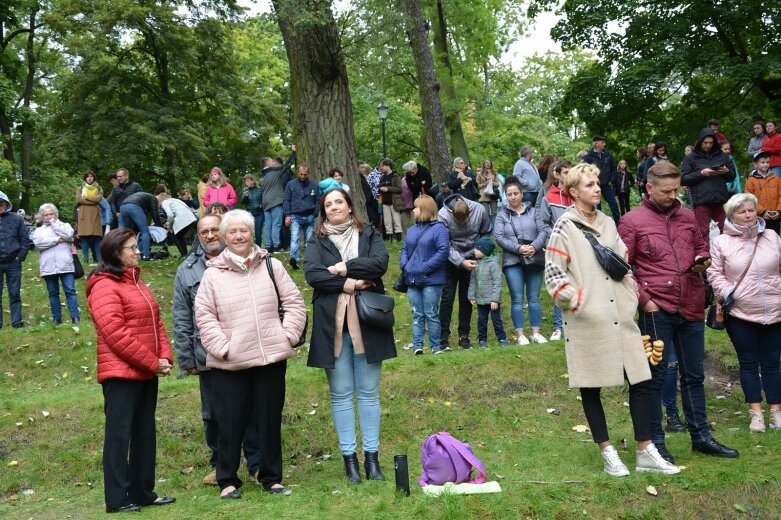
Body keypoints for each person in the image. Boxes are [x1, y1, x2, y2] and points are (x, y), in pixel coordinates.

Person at [545, 163, 680, 477]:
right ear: (574, 191)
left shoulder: (607, 222)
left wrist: (630, 296)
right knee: (591, 386)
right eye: (590, 185)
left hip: (621, 315)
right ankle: (608, 453)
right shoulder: (563, 227)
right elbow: (553, 276)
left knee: (641, 379)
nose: (596, 188)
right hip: (588, 321)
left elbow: (624, 264)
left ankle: (645, 450)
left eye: (597, 183)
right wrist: (580, 302)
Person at [619, 161, 739, 463]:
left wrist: (702, 259)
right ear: (649, 187)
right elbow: (622, 269)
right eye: (667, 190)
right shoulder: (631, 222)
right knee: (656, 377)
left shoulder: (688, 217)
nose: (674, 195)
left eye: (677, 190)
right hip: (656, 308)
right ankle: (656, 443)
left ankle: (701, 436)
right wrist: (645, 300)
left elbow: (703, 246)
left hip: (691, 303)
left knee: (694, 376)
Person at [195, 209, 305, 499]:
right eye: (233, 231)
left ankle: (271, 477)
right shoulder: (213, 274)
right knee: (229, 423)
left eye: (244, 230)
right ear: (224, 236)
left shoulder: (272, 265)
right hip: (231, 363)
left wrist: (288, 335)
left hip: (270, 358)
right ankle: (227, 479)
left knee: (269, 419)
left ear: (252, 233)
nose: (239, 235)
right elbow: (204, 316)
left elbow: (294, 302)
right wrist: (223, 348)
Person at [303, 189, 395, 484]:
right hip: (333, 324)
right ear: (323, 210)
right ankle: (350, 462)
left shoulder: (368, 233)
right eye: (328, 204)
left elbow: (379, 264)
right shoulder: (316, 239)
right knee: (341, 393)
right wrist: (353, 282)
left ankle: (372, 459)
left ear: (349, 205)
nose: (333, 207)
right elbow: (313, 275)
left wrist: (344, 267)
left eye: (338, 202)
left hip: (369, 322)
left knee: (368, 392)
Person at [85, 228, 175, 513]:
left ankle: (142, 491)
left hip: (147, 371)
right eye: (132, 248)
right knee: (119, 436)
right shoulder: (103, 285)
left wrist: (166, 356)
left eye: (137, 247)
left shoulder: (136, 281)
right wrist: (152, 362)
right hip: (121, 375)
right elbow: (115, 333)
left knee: (144, 433)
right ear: (115, 253)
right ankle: (117, 498)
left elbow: (156, 323)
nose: (138, 252)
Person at [173, 214, 262, 487]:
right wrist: (186, 357)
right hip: (206, 355)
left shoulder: (244, 261)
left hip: (243, 349)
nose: (210, 235)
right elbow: (182, 316)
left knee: (250, 410)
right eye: (204, 232)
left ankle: (257, 465)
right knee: (213, 414)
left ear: (222, 232)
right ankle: (220, 464)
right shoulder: (186, 270)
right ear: (198, 237)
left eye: (214, 230)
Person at [708, 193, 781, 432]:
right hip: (740, 313)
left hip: (775, 309)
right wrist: (729, 291)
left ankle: (776, 412)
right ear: (731, 215)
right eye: (742, 211)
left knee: (772, 363)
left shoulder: (771, 236)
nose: (748, 215)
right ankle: (756, 414)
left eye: (751, 210)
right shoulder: (721, 242)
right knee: (748, 363)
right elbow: (714, 273)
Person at [495, 175, 551, 345]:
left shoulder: (533, 211)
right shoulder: (501, 215)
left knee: (534, 297)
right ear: (506, 196)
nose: (513, 197)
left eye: (516, 193)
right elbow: (499, 237)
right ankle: (520, 335)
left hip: (534, 259)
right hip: (512, 261)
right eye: (509, 194)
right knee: (517, 298)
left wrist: (534, 246)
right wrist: (518, 248)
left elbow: (543, 231)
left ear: (522, 194)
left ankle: (536, 332)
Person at [438, 192, 490, 350]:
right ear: (452, 213)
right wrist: (460, 262)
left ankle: (464, 336)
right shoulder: (442, 215)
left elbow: (486, 233)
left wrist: (478, 251)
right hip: (450, 260)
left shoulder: (480, 210)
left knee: (467, 298)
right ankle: (443, 337)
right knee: (447, 297)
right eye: (459, 220)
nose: (463, 223)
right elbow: (443, 244)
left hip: (473, 256)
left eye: (465, 219)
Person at [400, 195, 449, 355]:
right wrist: (405, 265)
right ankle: (417, 346)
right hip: (412, 278)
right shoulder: (412, 229)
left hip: (432, 280)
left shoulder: (439, 228)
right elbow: (405, 249)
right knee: (417, 313)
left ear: (425, 209)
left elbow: (443, 251)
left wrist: (424, 267)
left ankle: (435, 347)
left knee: (431, 313)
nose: (413, 210)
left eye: (416, 207)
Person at [681, 128, 736, 246]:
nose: (708, 145)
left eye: (711, 143)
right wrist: (701, 173)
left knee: (726, 230)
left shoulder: (722, 156)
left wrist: (726, 171)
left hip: (720, 199)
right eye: (705, 143)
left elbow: (732, 177)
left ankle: (727, 258)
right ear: (700, 142)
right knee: (702, 233)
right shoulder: (691, 158)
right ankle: (705, 259)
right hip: (701, 200)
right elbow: (683, 179)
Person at [539, 161, 573, 341]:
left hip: (578, 248)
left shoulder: (578, 195)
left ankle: (576, 325)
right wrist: (550, 241)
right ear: (558, 174)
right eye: (565, 172)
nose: (568, 175)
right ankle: (558, 327)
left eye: (571, 172)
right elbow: (543, 223)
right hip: (557, 248)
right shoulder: (549, 197)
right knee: (560, 285)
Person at [31, 204, 80, 324]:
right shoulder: (39, 231)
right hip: (48, 266)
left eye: (51, 214)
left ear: (55, 214)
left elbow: (68, 235)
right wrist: (57, 240)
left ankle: (75, 317)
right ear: (42, 216)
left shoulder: (65, 225)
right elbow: (38, 244)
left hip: (65, 264)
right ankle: (57, 319)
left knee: (70, 291)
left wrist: (55, 225)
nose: (48, 216)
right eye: (46, 215)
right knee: (53, 293)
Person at [468, 236, 508, 347]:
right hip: (481, 300)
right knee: (481, 321)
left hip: (492, 301)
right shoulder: (476, 265)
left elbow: (497, 283)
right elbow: (473, 282)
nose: (474, 250)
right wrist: (471, 296)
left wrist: (495, 300)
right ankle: (482, 340)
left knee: (496, 320)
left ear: (484, 250)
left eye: (477, 248)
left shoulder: (493, 265)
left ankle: (502, 339)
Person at [0, 191, 29, 328]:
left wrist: (19, 257)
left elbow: (25, 240)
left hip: (13, 262)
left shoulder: (17, 219)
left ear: (7, 204)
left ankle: (17, 321)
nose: (0, 206)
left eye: (2, 203)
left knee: (14, 293)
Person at [261, 145, 296, 253]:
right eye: (272, 161)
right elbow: (288, 165)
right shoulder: (275, 171)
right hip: (276, 201)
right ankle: (276, 245)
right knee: (276, 224)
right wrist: (294, 153)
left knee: (268, 225)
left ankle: (267, 246)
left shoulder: (264, 174)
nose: (274, 162)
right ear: (268, 164)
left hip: (265, 202)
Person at [283, 164, 319, 270]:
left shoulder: (314, 185)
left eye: (305, 174)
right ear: (297, 172)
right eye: (301, 174)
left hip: (309, 216)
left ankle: (308, 261)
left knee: (309, 240)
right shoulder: (290, 184)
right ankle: (294, 260)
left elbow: (318, 200)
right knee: (294, 238)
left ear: (308, 174)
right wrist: (287, 215)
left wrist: (314, 214)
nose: (303, 176)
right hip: (295, 216)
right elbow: (286, 200)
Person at [584, 135, 621, 225]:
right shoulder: (589, 156)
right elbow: (586, 170)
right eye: (602, 142)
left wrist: (611, 180)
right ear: (596, 143)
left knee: (614, 205)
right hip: (595, 186)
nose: (604, 144)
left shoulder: (608, 154)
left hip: (607, 186)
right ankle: (598, 226)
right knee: (597, 208)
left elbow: (614, 168)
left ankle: (619, 224)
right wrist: (592, 182)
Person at [118, 192, 165, 260]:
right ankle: (146, 255)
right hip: (134, 206)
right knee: (145, 231)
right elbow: (154, 214)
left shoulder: (145, 197)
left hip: (122, 207)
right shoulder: (154, 199)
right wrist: (160, 226)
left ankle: (124, 256)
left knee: (126, 233)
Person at [745, 151, 781, 234]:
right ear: (755, 165)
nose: (765, 165)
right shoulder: (751, 180)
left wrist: (779, 211)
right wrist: (762, 211)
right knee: (760, 240)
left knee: (774, 239)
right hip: (759, 217)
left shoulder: (776, 179)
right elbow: (749, 198)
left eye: (768, 162)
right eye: (762, 162)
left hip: (775, 216)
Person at [76, 170, 104, 263]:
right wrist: (92, 200)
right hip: (83, 215)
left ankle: (99, 259)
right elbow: (79, 200)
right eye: (88, 176)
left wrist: (86, 197)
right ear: (85, 178)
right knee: (84, 239)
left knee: (97, 238)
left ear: (94, 178)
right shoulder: (80, 188)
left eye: (91, 176)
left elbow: (98, 199)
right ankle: (86, 260)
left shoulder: (99, 188)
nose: (89, 178)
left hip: (95, 214)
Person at [158, 193, 197, 258]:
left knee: (176, 236)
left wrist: (169, 225)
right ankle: (186, 254)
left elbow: (170, 215)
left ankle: (184, 255)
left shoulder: (165, 202)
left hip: (183, 219)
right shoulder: (175, 200)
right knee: (180, 236)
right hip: (192, 218)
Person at [379, 158, 404, 241]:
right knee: (387, 221)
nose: (381, 167)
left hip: (394, 201)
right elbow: (380, 187)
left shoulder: (396, 176)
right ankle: (389, 238)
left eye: (383, 165)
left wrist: (388, 189)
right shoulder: (382, 177)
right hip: (385, 201)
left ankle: (399, 238)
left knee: (396, 220)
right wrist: (380, 188)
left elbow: (399, 189)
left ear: (388, 166)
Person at [476, 159, 501, 229]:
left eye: (489, 163)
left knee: (494, 213)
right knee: (485, 214)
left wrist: (493, 183)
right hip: (484, 195)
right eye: (486, 162)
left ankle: (496, 229)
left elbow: (498, 184)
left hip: (493, 195)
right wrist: (485, 184)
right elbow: (478, 185)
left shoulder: (494, 172)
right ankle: (487, 229)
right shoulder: (479, 173)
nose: (488, 164)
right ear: (484, 164)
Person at [241, 174, 264, 246]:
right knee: (249, 232)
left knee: (258, 232)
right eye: (245, 181)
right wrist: (245, 196)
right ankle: (249, 248)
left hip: (259, 214)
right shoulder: (245, 190)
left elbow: (264, 199)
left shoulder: (260, 189)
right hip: (249, 214)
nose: (246, 183)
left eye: (248, 181)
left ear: (253, 181)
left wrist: (261, 205)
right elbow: (242, 202)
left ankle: (258, 248)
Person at [358, 162, 380, 227]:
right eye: (361, 168)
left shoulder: (363, 178)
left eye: (364, 167)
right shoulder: (360, 179)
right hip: (367, 202)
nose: (363, 169)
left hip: (371, 201)